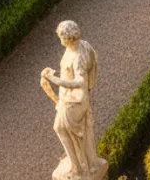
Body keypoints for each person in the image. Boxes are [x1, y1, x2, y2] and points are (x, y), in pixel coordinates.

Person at [41, 21, 106, 180]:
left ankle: (77, 168)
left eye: (61, 37)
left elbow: (80, 81)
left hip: (76, 99)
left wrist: (55, 80)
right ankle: (78, 163)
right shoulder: (81, 46)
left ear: (67, 38)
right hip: (68, 97)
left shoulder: (78, 56)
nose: (60, 40)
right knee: (63, 129)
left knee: (60, 128)